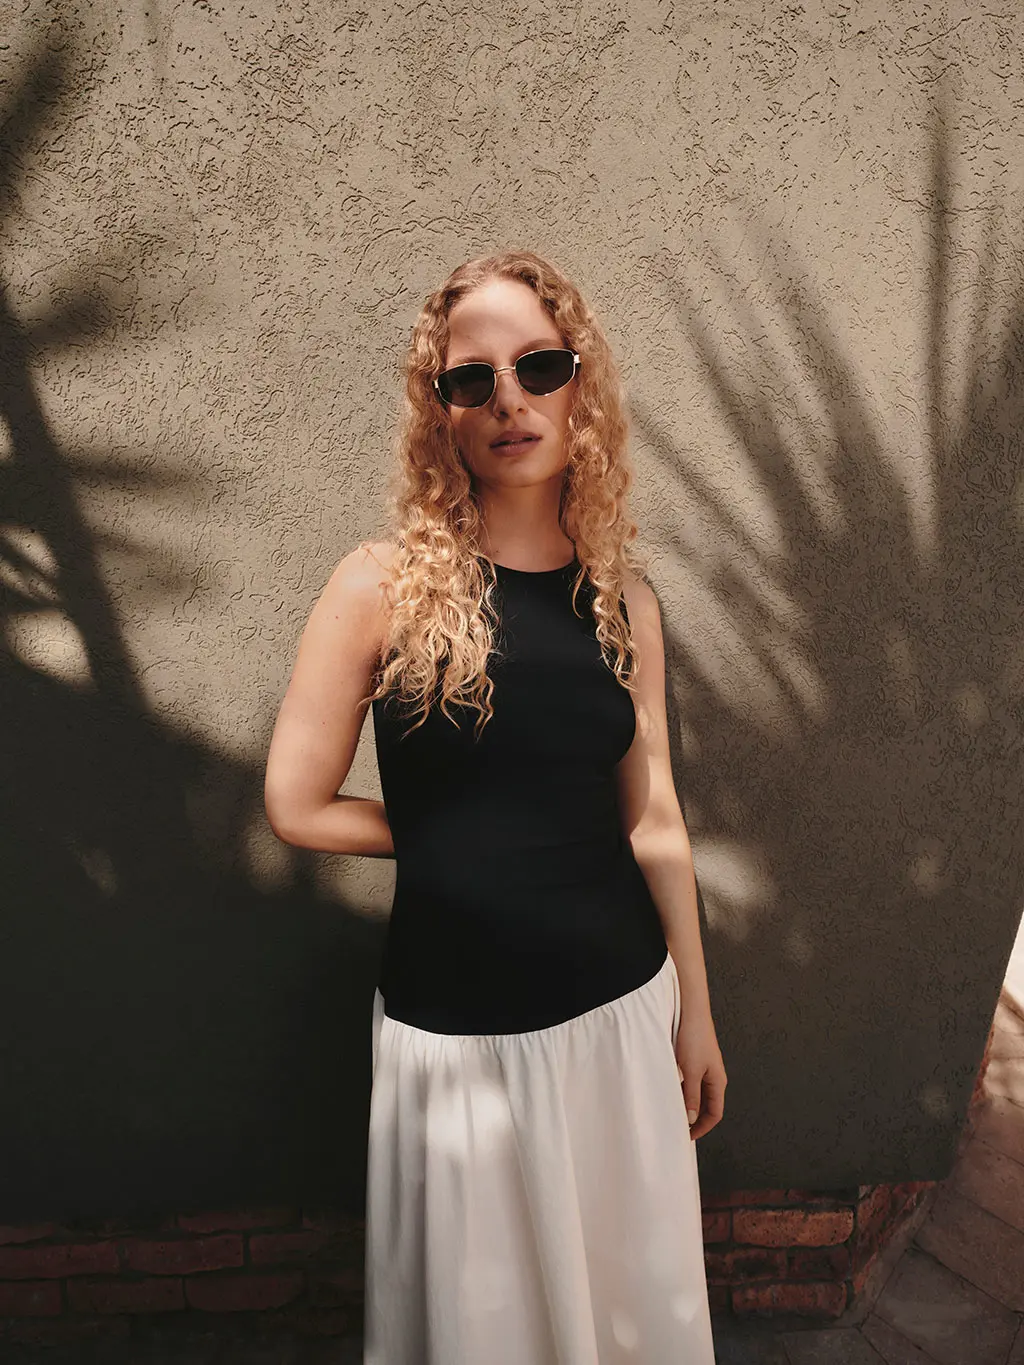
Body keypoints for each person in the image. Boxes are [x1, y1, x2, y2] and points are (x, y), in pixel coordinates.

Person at [264, 249, 726, 1363]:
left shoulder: (624, 601)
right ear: (442, 412)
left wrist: (696, 1014)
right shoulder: (377, 584)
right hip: (453, 1041)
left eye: (540, 365)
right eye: (472, 380)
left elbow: (652, 815)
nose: (508, 399)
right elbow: (295, 804)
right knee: (482, 1329)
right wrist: (442, 837)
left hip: (621, 1017)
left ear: (581, 388)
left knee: (626, 1312)